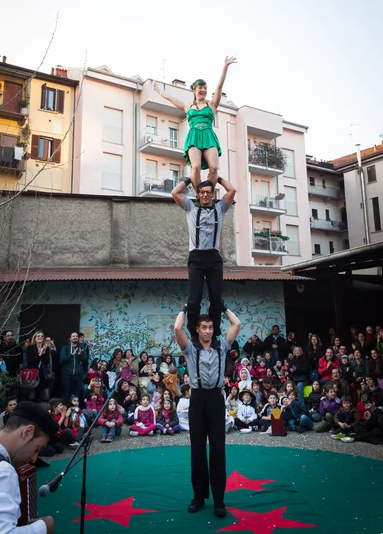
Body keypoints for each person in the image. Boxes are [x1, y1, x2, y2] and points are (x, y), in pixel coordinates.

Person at [174, 307, 241, 517]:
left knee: (218, 450)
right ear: (197, 329)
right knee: (198, 451)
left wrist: (223, 308)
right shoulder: (191, 349)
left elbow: (237, 324)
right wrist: (185, 309)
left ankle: (219, 500)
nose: (208, 331)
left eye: (211, 327)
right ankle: (199, 496)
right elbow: (177, 327)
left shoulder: (222, 345)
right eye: (204, 328)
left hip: (215, 399)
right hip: (198, 399)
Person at [153, 57, 237, 190]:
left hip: (208, 135)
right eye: (200, 87)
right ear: (194, 90)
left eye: (205, 87)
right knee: (195, 167)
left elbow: (219, 87)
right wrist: (158, 90)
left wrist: (225, 66)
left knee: (214, 168)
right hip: (194, 137)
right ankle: (199, 195)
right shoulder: (188, 106)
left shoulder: (212, 105)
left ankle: (208, 193)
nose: (203, 90)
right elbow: (170, 98)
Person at [172, 177, 236, 338]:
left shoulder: (220, 209)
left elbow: (232, 191)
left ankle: (214, 331)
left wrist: (218, 178)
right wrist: (189, 179)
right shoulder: (191, 209)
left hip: (213, 257)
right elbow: (175, 192)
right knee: (194, 297)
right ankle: (194, 330)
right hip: (196, 257)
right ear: (198, 194)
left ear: (213, 194)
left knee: (216, 297)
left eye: (208, 192)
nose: (206, 195)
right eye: (202, 192)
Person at [0, 401, 58, 534]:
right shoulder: (2, 471)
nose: (34, 459)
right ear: (27, 432)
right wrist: (44, 527)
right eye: (37, 449)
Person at [60, 332, 88, 399]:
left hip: (78, 375)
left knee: (76, 394)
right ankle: (66, 408)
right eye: (73, 336)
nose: (75, 337)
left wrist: (80, 355)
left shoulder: (81, 348)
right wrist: (71, 355)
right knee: (66, 393)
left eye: (76, 336)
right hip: (67, 375)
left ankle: (75, 409)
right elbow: (62, 359)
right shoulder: (65, 348)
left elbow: (85, 361)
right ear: (70, 338)